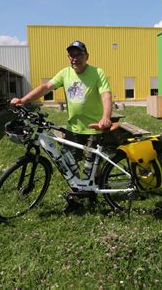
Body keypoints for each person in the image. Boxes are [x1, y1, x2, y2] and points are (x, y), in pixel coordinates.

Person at [10, 40, 112, 211]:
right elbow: (46, 87)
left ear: (87, 56)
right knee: (69, 166)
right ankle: (77, 195)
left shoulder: (97, 72)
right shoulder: (65, 73)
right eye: (71, 55)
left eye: (79, 54)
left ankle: (91, 193)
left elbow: (106, 96)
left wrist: (106, 117)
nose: (75, 58)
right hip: (73, 129)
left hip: (94, 127)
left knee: (91, 166)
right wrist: (23, 100)